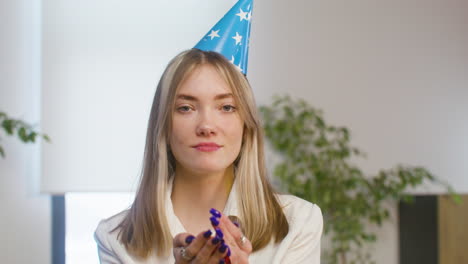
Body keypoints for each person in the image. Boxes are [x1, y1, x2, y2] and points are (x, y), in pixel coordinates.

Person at [94, 48, 323, 264]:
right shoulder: (115, 239)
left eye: (226, 107)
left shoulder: (298, 222)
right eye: (186, 108)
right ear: (163, 126)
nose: (206, 126)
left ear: (246, 126)